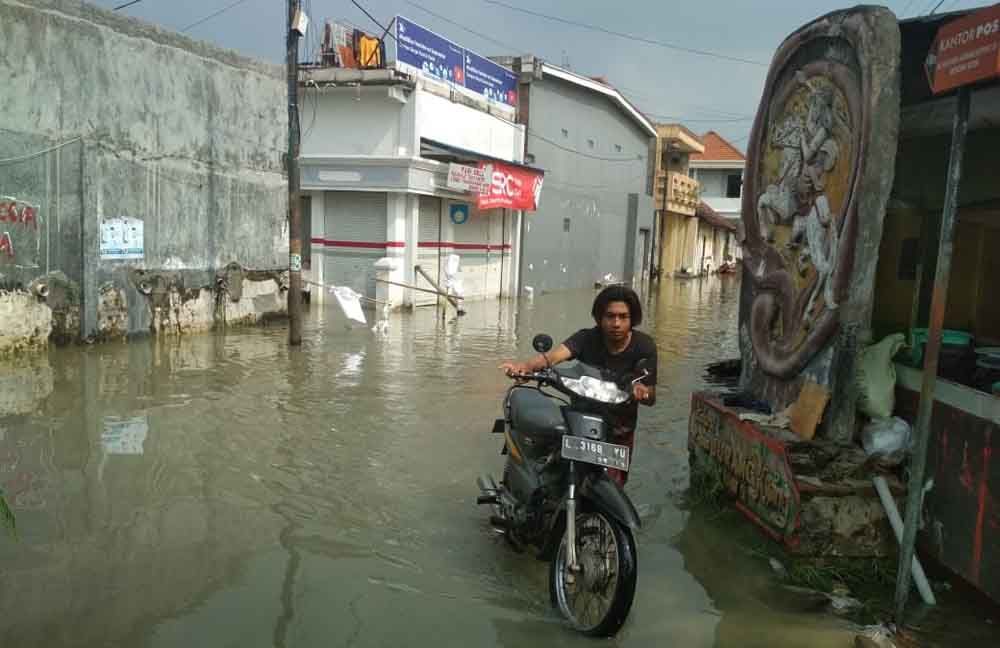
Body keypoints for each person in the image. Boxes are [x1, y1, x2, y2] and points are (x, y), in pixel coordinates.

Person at [499, 286, 658, 486]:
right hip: (579, 420)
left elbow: (651, 396)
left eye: (623, 317)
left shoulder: (645, 346)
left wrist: (642, 392)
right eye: (610, 316)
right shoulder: (586, 338)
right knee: (555, 475)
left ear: (632, 319)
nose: (616, 323)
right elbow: (553, 357)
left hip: (619, 430)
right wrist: (525, 367)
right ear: (600, 317)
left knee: (615, 486)